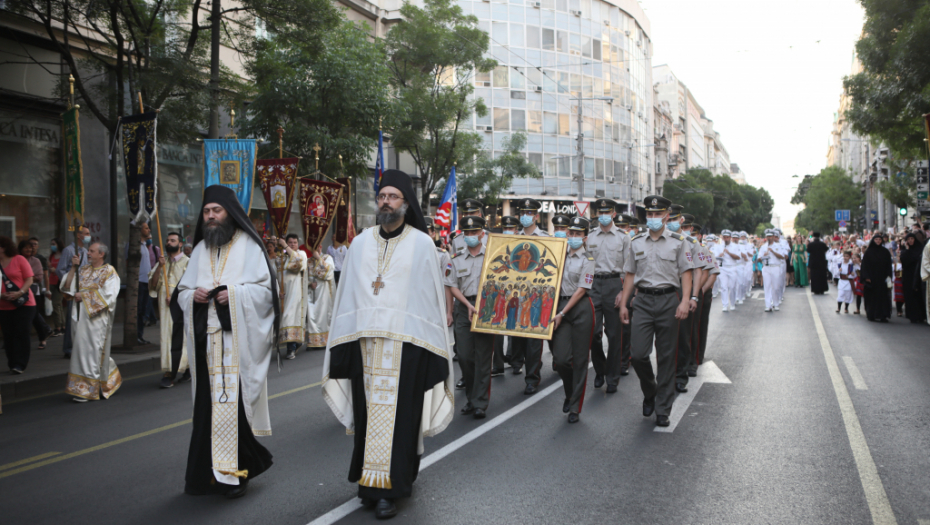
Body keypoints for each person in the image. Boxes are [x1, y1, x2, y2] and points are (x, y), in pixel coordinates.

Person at [322, 169, 453, 519]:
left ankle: (391, 490)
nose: (385, 202)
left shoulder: (422, 244)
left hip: (406, 347)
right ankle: (370, 485)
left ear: (406, 204)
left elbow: (428, 298)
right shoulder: (361, 243)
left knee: (402, 419)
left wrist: (429, 345)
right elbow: (348, 294)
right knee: (368, 418)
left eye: (392, 197)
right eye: (381, 196)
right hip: (366, 345)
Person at [176, 185, 279, 499]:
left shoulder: (250, 246)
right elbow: (181, 292)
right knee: (207, 410)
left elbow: (267, 293)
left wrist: (233, 294)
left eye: (216, 211)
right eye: (206, 211)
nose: (210, 216)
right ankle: (205, 474)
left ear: (229, 214)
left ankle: (235, 474)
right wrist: (191, 296)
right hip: (207, 345)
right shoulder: (200, 250)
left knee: (232, 410)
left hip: (237, 344)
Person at [619, 195, 694, 427]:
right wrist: (624, 303)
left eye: (657, 214)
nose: (652, 217)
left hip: (668, 300)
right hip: (642, 301)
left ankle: (663, 409)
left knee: (666, 357)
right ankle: (650, 390)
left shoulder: (679, 241)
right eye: (649, 214)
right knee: (638, 355)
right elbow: (630, 274)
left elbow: (686, 272)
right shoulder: (636, 241)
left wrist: (685, 300)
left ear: (666, 215)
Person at [445, 216, 494, 419]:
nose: (471, 235)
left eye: (475, 232)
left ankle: (479, 402)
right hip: (464, 308)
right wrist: (460, 307)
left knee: (483, 357)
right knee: (465, 356)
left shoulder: (492, 256)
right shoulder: (455, 258)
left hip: (486, 309)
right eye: (468, 233)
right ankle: (472, 396)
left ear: (482, 234)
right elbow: (451, 285)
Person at [62, 242, 121, 401]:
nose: (88, 253)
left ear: (101, 254)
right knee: (81, 351)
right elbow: (67, 287)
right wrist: (73, 268)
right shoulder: (83, 270)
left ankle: (87, 390)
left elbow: (109, 295)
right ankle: (107, 380)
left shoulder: (109, 272)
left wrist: (84, 296)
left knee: (90, 352)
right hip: (79, 317)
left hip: (96, 320)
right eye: (88, 251)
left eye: (91, 251)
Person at [550, 216, 595, 423]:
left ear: (585, 237)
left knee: (580, 359)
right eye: (572, 233)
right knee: (560, 359)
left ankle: (575, 407)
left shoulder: (588, 260)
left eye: (578, 234)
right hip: (559, 306)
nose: (574, 237)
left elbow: (581, 290)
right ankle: (569, 393)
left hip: (580, 308)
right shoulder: (558, 255)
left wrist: (562, 313)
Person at [585, 198, 630, 393]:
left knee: (614, 335)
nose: (603, 215)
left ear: (613, 213)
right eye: (600, 212)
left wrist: (623, 291)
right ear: (597, 214)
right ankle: (600, 369)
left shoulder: (623, 238)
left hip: (614, 285)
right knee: (593, 333)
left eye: (607, 212)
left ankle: (612, 378)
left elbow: (629, 268)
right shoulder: (590, 237)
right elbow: (585, 264)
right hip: (594, 285)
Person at [508, 199, 549, 394]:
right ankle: (525, 363)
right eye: (523, 212)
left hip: (536, 293)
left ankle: (532, 378)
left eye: (530, 212)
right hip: (517, 293)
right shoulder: (513, 239)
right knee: (519, 337)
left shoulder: (546, 238)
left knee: (533, 338)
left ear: (536, 216)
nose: (525, 215)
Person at [673, 213, 711, 393]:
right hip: (667, 290)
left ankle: (688, 367)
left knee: (687, 333)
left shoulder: (694, 244)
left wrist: (694, 295)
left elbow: (702, 271)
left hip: (685, 290)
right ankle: (668, 374)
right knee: (666, 336)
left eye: (687, 227)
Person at [149, 232, 191, 388]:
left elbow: (192, 285)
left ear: (180, 244)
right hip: (165, 307)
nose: (168, 243)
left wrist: (176, 298)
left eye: (172, 240)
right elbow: (153, 285)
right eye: (167, 240)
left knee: (183, 337)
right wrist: (159, 267)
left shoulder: (188, 262)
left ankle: (181, 369)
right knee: (167, 336)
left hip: (182, 305)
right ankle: (170, 370)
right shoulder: (162, 262)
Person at [0, 236, 36, 374]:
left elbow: (29, 279)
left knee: (22, 332)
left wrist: (19, 293)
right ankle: (12, 363)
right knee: (8, 335)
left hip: (24, 303)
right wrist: (1, 295)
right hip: (4, 304)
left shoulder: (18, 259)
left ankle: (20, 364)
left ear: (3, 248)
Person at [56, 226, 90, 358]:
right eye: (86, 233)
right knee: (72, 318)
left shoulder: (85, 251)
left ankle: (79, 346)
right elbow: (60, 269)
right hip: (73, 290)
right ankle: (69, 348)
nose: (88, 236)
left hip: (83, 290)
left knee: (81, 320)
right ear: (78, 235)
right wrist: (68, 285)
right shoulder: (69, 250)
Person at [275, 234, 308, 359]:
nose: (292, 244)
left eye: (294, 242)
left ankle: (291, 348)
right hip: (283, 294)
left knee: (291, 318)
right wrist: (278, 290)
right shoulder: (281, 257)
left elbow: (298, 263)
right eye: (290, 242)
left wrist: (285, 246)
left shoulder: (301, 254)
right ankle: (296, 342)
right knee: (285, 318)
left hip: (296, 292)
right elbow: (275, 276)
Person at [19, 240, 52, 349]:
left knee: (34, 316)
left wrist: (24, 277)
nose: (29, 249)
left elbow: (39, 277)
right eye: (26, 247)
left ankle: (43, 337)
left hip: (32, 292)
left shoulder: (36, 260)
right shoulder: (16, 259)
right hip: (18, 292)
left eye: (30, 247)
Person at [306, 244, 335, 349]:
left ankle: (323, 341)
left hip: (323, 292)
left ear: (321, 246)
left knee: (323, 316)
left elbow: (328, 273)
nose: (316, 248)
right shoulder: (308, 261)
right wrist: (309, 283)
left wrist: (318, 257)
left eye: (317, 246)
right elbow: (303, 277)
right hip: (311, 293)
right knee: (311, 316)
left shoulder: (327, 258)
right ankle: (313, 342)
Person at [860, 234, 893, 322]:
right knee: (871, 298)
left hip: (882, 278)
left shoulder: (885, 251)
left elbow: (888, 265)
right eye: (876, 239)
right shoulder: (868, 252)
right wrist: (866, 277)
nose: (878, 241)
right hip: (872, 279)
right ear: (873, 240)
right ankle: (872, 314)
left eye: (879, 239)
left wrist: (889, 276)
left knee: (883, 297)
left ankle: (883, 315)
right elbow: (864, 266)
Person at [711, 230, 740, 312]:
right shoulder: (718, 246)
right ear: (722, 238)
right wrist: (719, 255)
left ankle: (732, 303)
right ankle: (725, 305)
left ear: (730, 237)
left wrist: (729, 253)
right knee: (724, 287)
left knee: (732, 287)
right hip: (723, 268)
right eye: (724, 237)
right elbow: (714, 257)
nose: (726, 239)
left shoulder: (735, 246)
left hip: (732, 267)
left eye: (727, 237)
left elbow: (738, 257)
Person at [900, 233, 926, 324]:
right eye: (908, 239)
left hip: (919, 275)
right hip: (908, 276)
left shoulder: (921, 249)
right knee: (910, 295)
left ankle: (922, 315)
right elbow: (905, 261)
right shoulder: (905, 251)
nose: (910, 241)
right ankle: (913, 316)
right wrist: (907, 250)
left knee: (919, 295)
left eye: (912, 238)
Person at [759, 230, 787, 312]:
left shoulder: (778, 246)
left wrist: (773, 251)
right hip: (766, 267)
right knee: (767, 286)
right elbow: (758, 258)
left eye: (770, 236)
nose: (769, 238)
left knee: (776, 287)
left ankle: (776, 303)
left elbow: (782, 257)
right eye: (768, 236)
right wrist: (763, 256)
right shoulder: (763, 247)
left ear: (773, 237)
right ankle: (768, 305)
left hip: (775, 267)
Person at [47, 237, 66, 336]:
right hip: (52, 281)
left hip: (60, 282)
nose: (52, 246)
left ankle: (58, 327)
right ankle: (63, 326)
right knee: (58, 305)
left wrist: (56, 270)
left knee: (56, 304)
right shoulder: (52, 256)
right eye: (51, 244)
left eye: (54, 244)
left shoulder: (63, 255)